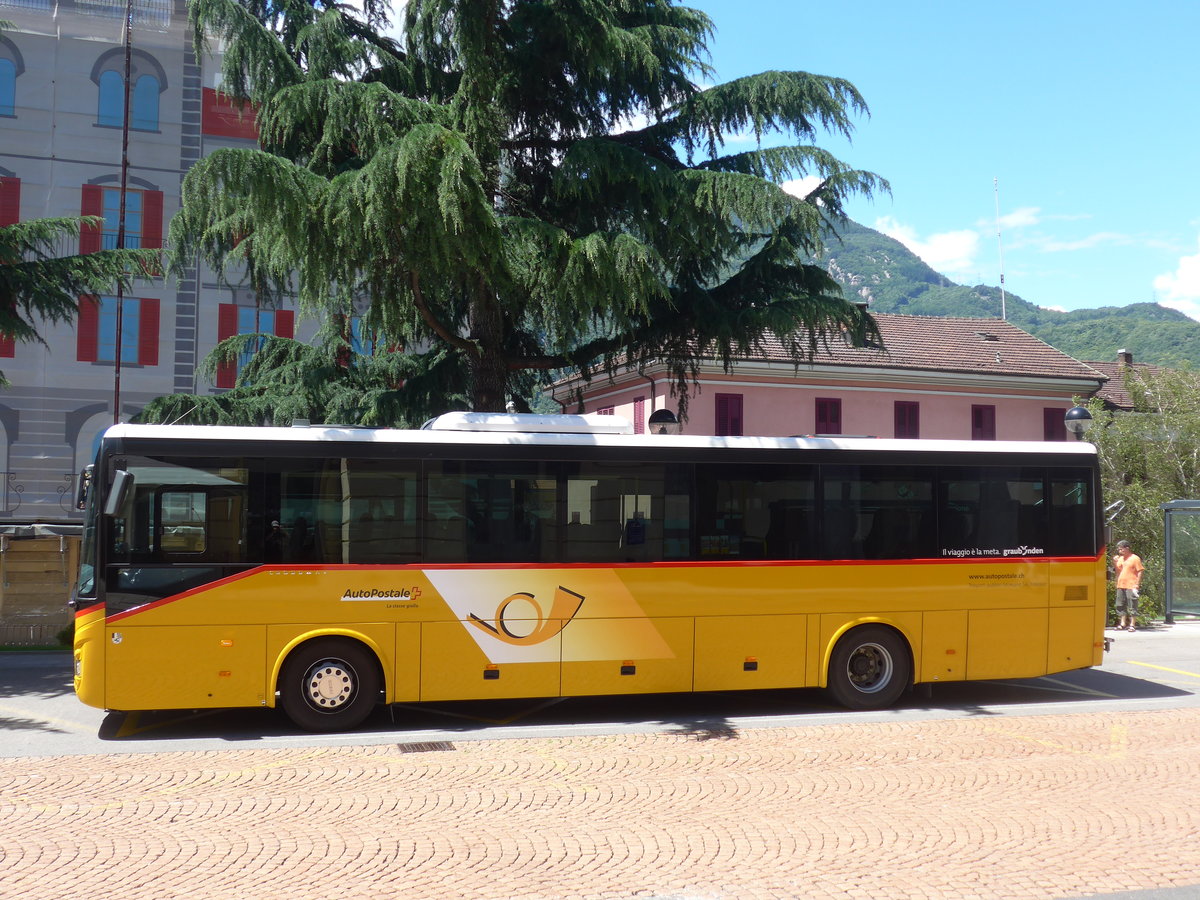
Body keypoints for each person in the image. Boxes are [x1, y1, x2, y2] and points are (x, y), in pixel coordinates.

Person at [1112, 539, 1144, 632]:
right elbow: (1118, 571)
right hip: (1121, 584)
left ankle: (1132, 624)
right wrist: (1115, 562)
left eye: (1121, 549)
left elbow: (1140, 571)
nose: (1119, 551)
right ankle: (1122, 623)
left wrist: (1137, 584)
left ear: (1127, 548)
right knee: (1120, 604)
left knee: (1132, 604)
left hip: (1131, 585)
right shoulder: (1121, 559)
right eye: (1119, 549)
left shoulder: (1135, 558)